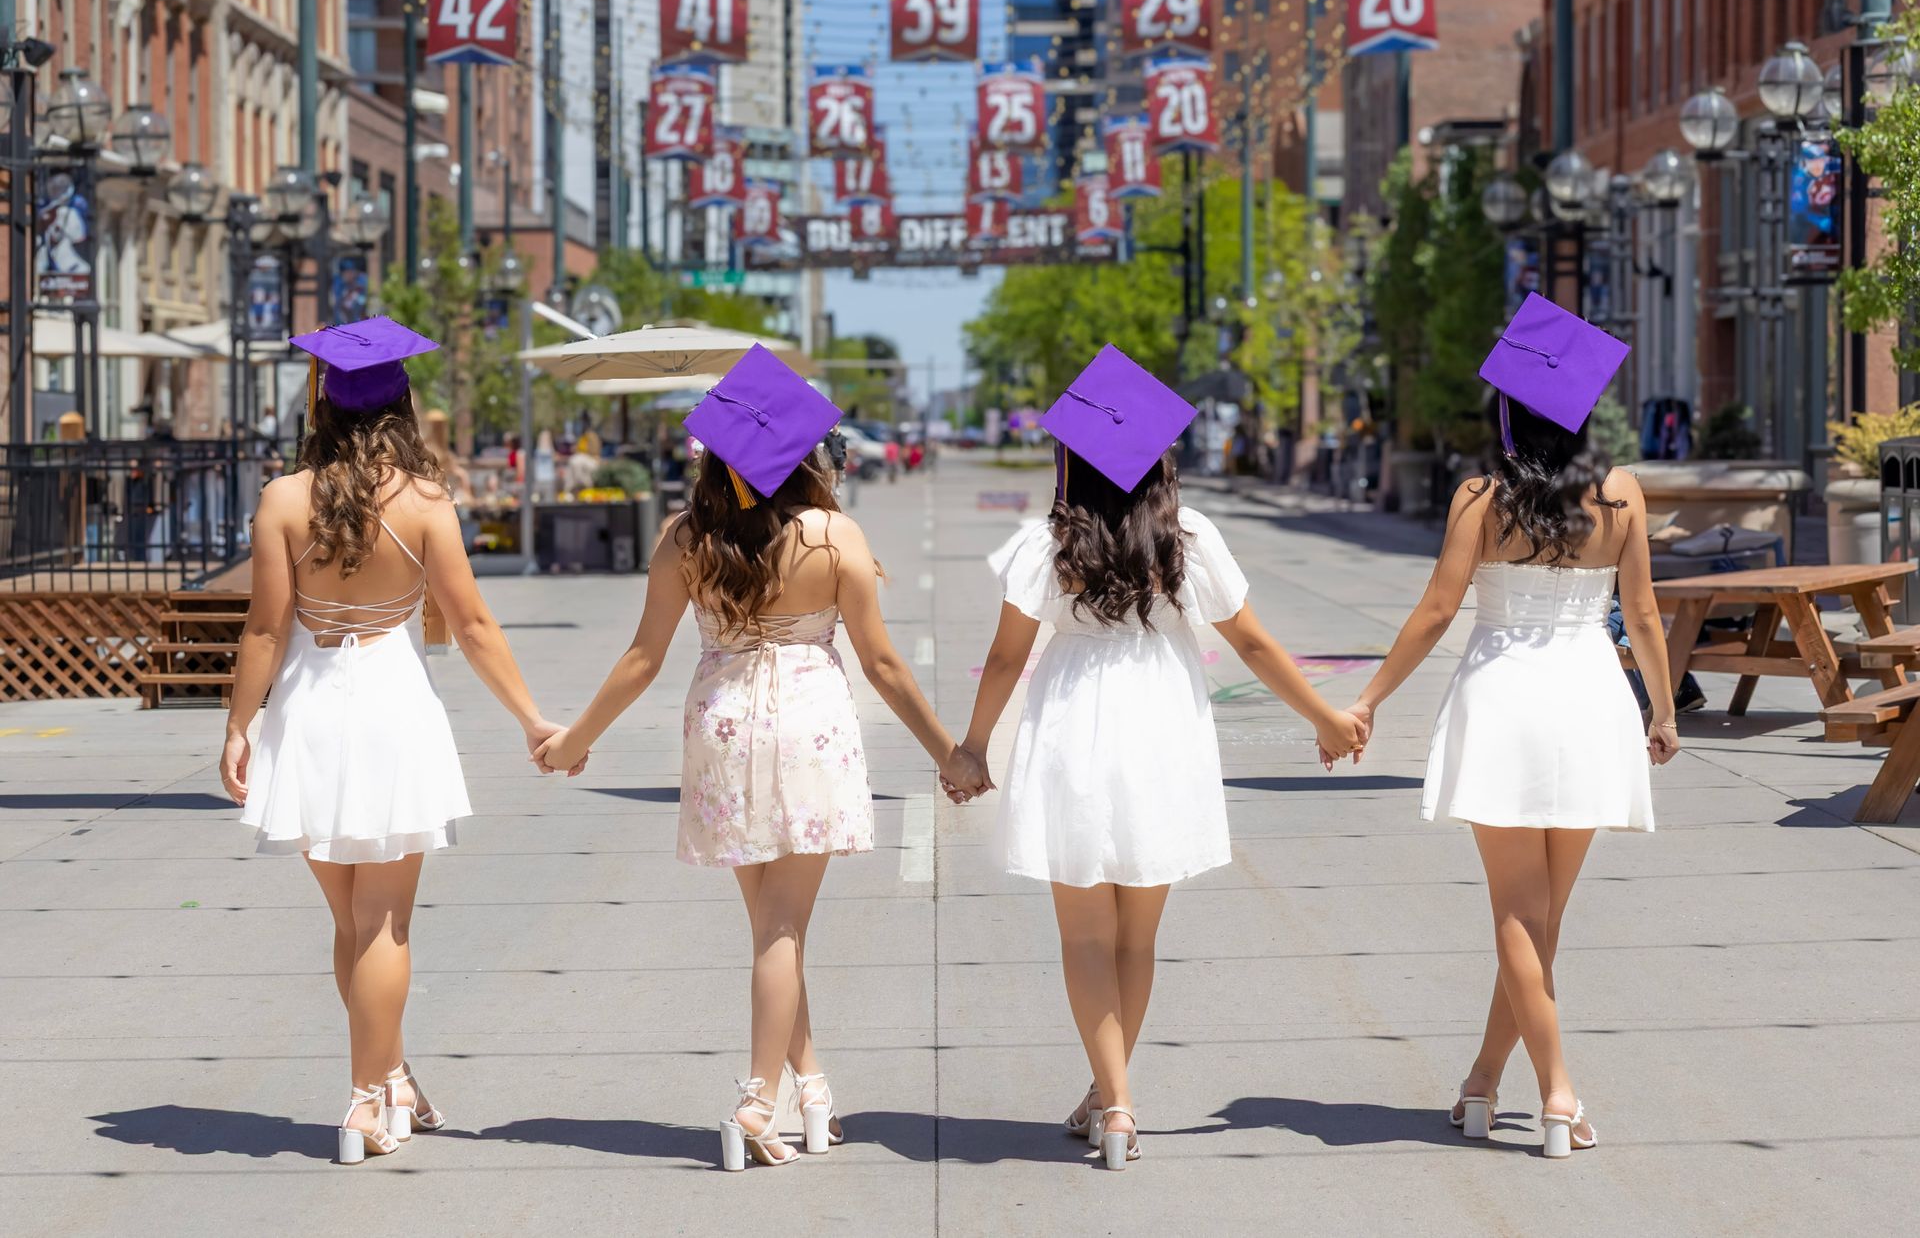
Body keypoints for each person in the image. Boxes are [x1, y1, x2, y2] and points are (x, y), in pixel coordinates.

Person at [531, 346, 990, 1171]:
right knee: (783, 927)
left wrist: (578, 737)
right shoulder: (833, 535)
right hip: (809, 725)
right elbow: (883, 664)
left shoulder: (685, 538)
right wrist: (948, 754)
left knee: (771, 926)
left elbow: (642, 656)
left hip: (724, 724)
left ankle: (809, 1084)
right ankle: (756, 1100)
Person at [955, 346, 1366, 1172]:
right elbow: (1250, 640)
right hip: (1161, 731)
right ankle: (1111, 1098)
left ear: (1069, 457)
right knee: (1136, 938)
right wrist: (1326, 714)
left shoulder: (1047, 544)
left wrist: (970, 746)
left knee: (1082, 938)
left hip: (1073, 726)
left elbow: (1004, 660)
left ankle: (1114, 1102)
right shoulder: (1189, 538)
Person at [1341, 294, 1676, 1159]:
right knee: (1544, 917)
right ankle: (1485, 1081)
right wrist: (1664, 707)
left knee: (1520, 916)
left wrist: (1371, 696)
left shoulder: (1480, 498)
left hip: (1504, 700)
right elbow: (1640, 613)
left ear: (1509, 410)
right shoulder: (1625, 495)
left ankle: (1553, 1090)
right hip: (1592, 699)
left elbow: (1436, 611)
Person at [219, 318, 560, 1166]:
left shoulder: (283, 500)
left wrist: (238, 721)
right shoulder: (426, 502)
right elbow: (473, 625)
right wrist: (531, 718)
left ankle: (391, 1073)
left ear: (323, 403)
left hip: (309, 707)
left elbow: (264, 628)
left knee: (349, 919)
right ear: (404, 402)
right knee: (382, 925)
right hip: (392, 702)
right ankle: (369, 1100)